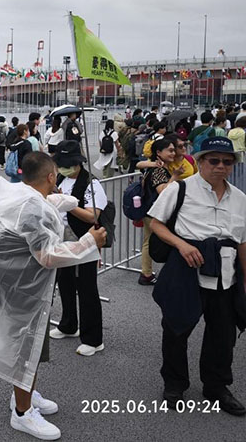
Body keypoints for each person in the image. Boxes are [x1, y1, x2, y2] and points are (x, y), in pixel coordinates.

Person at [0, 152, 106, 441]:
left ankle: (25, 390)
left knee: (29, 343)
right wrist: (89, 242)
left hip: (5, 279)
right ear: (52, 177)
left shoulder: (24, 194)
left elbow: (40, 209)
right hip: (11, 284)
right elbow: (47, 255)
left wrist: (62, 201)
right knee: (24, 344)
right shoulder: (33, 208)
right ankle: (22, 412)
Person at [149, 136, 246, 416]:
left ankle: (216, 386)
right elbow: (155, 223)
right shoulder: (180, 189)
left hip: (225, 275)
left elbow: (241, 242)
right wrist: (181, 244)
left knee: (223, 335)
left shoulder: (240, 199)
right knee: (176, 329)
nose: (220, 167)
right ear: (201, 161)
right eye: (213, 160)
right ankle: (175, 384)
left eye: (227, 162)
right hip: (187, 270)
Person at [50, 140, 107, 356]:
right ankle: (68, 324)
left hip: (86, 241)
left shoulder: (92, 184)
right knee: (64, 283)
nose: (63, 168)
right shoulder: (61, 180)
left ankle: (93, 339)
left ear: (78, 163)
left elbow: (93, 215)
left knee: (87, 288)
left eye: (67, 163)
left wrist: (69, 205)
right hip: (62, 241)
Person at [136, 138, 184, 285]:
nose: (173, 153)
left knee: (148, 241)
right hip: (154, 211)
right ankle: (146, 274)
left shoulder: (156, 166)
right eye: (170, 150)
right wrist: (175, 176)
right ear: (158, 152)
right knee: (150, 242)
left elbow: (139, 164)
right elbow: (162, 191)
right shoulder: (158, 170)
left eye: (174, 150)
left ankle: (147, 273)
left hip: (150, 209)